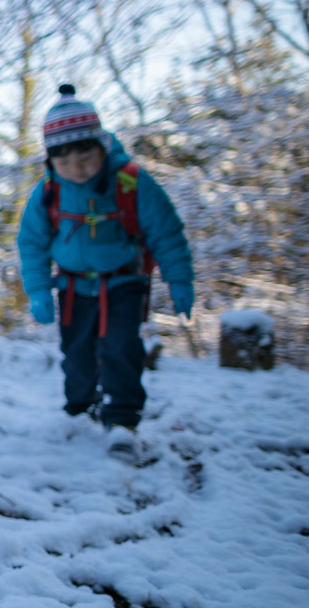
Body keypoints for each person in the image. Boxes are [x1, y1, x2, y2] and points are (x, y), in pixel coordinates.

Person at [17, 84, 195, 461]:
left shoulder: (131, 183)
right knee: (77, 353)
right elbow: (32, 244)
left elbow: (166, 234)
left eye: (85, 154)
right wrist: (37, 291)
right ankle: (81, 409)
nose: (76, 167)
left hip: (123, 282)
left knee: (120, 346)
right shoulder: (48, 193)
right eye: (63, 159)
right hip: (71, 287)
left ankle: (122, 421)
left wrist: (179, 279)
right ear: (50, 161)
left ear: (102, 146)